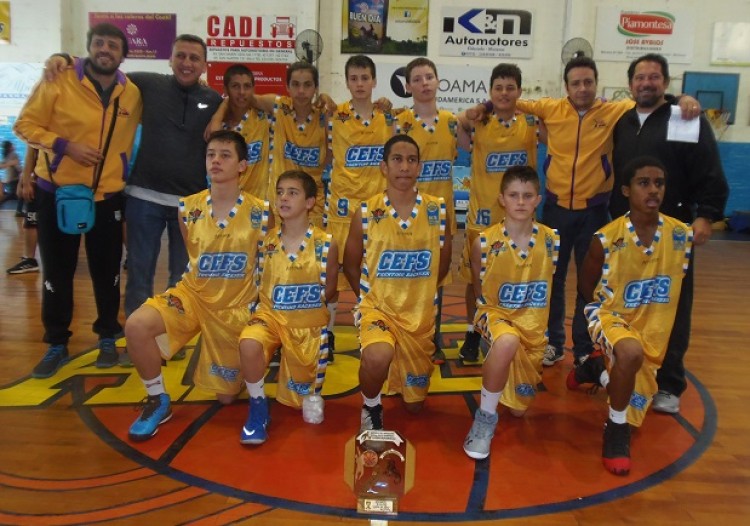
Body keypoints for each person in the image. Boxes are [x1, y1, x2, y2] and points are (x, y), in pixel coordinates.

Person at [470, 57, 700, 368]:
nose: (582, 88)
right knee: (551, 280)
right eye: (576, 83)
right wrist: (483, 106)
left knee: (589, 283)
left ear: (596, 84)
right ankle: (553, 342)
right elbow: (508, 99)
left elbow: (648, 97)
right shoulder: (550, 108)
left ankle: (583, 346)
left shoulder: (613, 110)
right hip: (555, 209)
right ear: (566, 86)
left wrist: (680, 99)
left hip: (594, 211)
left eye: (588, 82)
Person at [14, 23, 142, 377]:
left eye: (113, 45)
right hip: (57, 193)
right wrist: (63, 146)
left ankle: (107, 335)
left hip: (107, 197)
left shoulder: (132, 93)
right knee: (57, 271)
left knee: (108, 272)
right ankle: (56, 342)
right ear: (88, 47)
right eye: (99, 43)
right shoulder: (59, 78)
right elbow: (25, 125)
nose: (105, 50)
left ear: (123, 55)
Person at [124, 130, 269, 441]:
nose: (216, 161)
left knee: (226, 398)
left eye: (225, 155)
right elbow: (193, 255)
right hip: (192, 296)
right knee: (136, 325)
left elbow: (269, 266)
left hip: (234, 305)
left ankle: (244, 368)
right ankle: (157, 400)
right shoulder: (187, 207)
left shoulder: (262, 212)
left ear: (242, 165)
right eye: (211, 154)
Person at [610, 53, 729, 414]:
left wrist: (706, 215)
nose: (646, 83)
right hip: (628, 229)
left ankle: (669, 383)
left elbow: (709, 169)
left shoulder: (684, 117)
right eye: (640, 78)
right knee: (629, 301)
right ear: (630, 84)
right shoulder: (623, 121)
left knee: (672, 303)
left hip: (672, 229)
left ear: (665, 82)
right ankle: (627, 370)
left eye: (654, 77)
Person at [570, 156, 693, 476]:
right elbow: (585, 286)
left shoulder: (681, 235)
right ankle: (616, 429)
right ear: (626, 190)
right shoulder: (605, 239)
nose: (653, 190)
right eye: (643, 183)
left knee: (633, 390)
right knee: (629, 352)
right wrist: (603, 320)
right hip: (609, 316)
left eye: (659, 183)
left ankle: (596, 369)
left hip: (653, 327)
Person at [343, 134, 452, 432]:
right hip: (379, 311)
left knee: (414, 406)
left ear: (419, 167)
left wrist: (422, 293)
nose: (404, 166)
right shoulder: (366, 212)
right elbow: (350, 264)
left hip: (419, 317)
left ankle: (401, 372)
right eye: (397, 159)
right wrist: (368, 299)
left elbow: (443, 264)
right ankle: (371, 406)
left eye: (411, 160)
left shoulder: (438, 210)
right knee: (378, 354)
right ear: (384, 167)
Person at [462, 165, 558, 460]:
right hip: (495, 314)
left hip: (533, 326)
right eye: (514, 195)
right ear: (502, 199)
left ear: (538, 200)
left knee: (518, 409)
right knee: (506, 340)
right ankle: (484, 419)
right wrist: (495, 324)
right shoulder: (484, 242)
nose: (520, 202)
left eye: (527, 196)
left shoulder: (551, 240)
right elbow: (479, 290)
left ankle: (504, 364)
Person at [238, 170, 338, 445]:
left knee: (305, 409)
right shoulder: (264, 241)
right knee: (249, 342)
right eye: (280, 192)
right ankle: (258, 407)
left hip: (307, 323)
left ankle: (307, 381)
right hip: (270, 317)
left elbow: (330, 290)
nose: (283, 198)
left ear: (310, 202)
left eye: (292, 193)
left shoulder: (326, 244)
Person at [456, 63, 540, 363]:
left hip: (520, 218)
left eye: (510, 88)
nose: (504, 93)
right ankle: (472, 332)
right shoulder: (480, 121)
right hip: (482, 216)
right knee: (475, 279)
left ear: (519, 91)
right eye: (498, 88)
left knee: (518, 276)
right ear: (490, 91)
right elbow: (460, 121)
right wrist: (484, 107)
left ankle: (515, 329)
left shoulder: (530, 122)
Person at [327, 54, 393, 362]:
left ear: (374, 81)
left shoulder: (387, 117)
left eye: (365, 78)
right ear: (346, 82)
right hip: (342, 210)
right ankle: (327, 334)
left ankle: (377, 324)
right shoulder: (335, 114)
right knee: (332, 275)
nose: (360, 84)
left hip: (376, 211)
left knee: (377, 273)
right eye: (353, 78)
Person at [394, 57, 457, 365]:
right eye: (417, 79)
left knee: (437, 281)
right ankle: (401, 335)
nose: (424, 83)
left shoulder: (453, 122)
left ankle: (433, 338)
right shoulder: (398, 122)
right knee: (405, 279)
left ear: (438, 81)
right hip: (408, 214)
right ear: (407, 86)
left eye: (429, 77)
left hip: (441, 215)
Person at [245, 62, 329, 229]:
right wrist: (217, 118)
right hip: (280, 205)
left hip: (313, 206)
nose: (301, 91)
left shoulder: (325, 117)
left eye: (307, 85)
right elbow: (244, 97)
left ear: (316, 88)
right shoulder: (279, 107)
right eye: (295, 84)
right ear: (287, 87)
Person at [208, 64, 271, 200]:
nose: (242, 92)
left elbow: (284, 103)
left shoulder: (264, 119)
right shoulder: (219, 121)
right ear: (226, 89)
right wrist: (224, 105)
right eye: (235, 86)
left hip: (257, 203)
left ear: (253, 89)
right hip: (226, 201)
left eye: (247, 86)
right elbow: (213, 136)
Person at [6, 147, 40, 275]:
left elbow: (31, 156)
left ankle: (30, 259)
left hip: (41, 182)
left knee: (31, 222)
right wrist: (23, 182)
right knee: (32, 220)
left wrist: (24, 183)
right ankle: (30, 259)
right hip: (45, 183)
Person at [0, 140, 22, 213]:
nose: (14, 146)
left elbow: (1, 165)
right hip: (15, 183)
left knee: (10, 194)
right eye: (12, 145)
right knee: (13, 195)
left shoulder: (6, 156)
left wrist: (8, 164)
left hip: (9, 183)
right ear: (10, 147)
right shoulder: (14, 155)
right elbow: (19, 169)